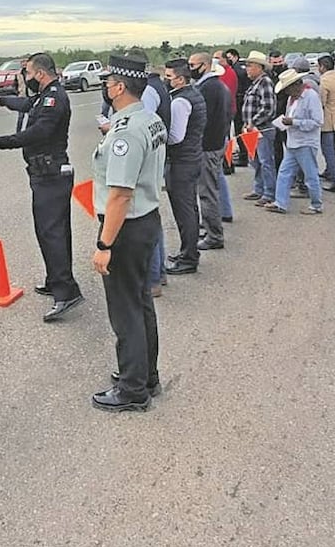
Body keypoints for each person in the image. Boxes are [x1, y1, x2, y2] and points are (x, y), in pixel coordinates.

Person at [0, 52, 85, 322]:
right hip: (43, 173)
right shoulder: (45, 94)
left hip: (51, 175)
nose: (26, 77)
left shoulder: (54, 97)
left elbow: (38, 132)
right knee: (51, 231)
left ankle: (65, 293)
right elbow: (27, 104)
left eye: (28, 73)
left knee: (52, 233)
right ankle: (57, 279)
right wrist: (3, 100)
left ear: (41, 74)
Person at [90, 54, 168, 412]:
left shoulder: (126, 131)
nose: (106, 88)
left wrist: (104, 243)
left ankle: (133, 389)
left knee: (125, 311)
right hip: (146, 220)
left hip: (126, 226)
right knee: (140, 302)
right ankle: (144, 375)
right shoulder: (147, 119)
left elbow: (121, 193)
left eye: (108, 83)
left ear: (120, 87)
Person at [161, 59, 206, 276]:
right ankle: (187, 251)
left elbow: (175, 136)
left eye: (168, 77)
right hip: (192, 157)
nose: (165, 80)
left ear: (180, 78)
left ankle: (189, 257)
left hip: (181, 161)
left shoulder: (180, 101)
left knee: (184, 211)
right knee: (190, 208)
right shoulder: (194, 93)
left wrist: (158, 137)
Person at [264, 69, 324, 215]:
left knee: (310, 175)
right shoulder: (292, 99)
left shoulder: (311, 97)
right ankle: (280, 203)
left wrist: (294, 122)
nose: (286, 92)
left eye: (288, 88)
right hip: (293, 142)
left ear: (297, 84)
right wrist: (284, 123)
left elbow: (318, 121)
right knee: (284, 173)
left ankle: (316, 205)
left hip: (306, 143)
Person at [189, 52, 232, 251]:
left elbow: (201, 121)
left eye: (193, 65)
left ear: (205, 65)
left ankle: (214, 235)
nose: (190, 69)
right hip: (215, 143)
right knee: (209, 189)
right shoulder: (217, 86)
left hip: (208, 147)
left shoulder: (208, 88)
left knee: (207, 193)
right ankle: (210, 227)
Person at [240, 51, 277, 206]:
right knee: (255, 161)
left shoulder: (265, 82)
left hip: (262, 129)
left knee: (265, 161)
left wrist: (252, 122)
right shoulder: (256, 83)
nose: (247, 69)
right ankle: (259, 189)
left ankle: (269, 193)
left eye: (250, 66)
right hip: (252, 129)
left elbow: (268, 107)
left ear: (259, 67)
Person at [316, 55, 335, 193]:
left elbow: (321, 102)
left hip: (328, 119)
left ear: (322, 66)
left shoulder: (324, 81)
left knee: (328, 151)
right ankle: (329, 172)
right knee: (332, 148)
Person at [225, 48, 251, 166]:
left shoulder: (235, 70)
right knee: (239, 130)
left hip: (239, 101)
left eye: (229, 57)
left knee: (238, 130)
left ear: (235, 56)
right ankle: (244, 154)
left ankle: (243, 155)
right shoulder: (241, 68)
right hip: (241, 101)